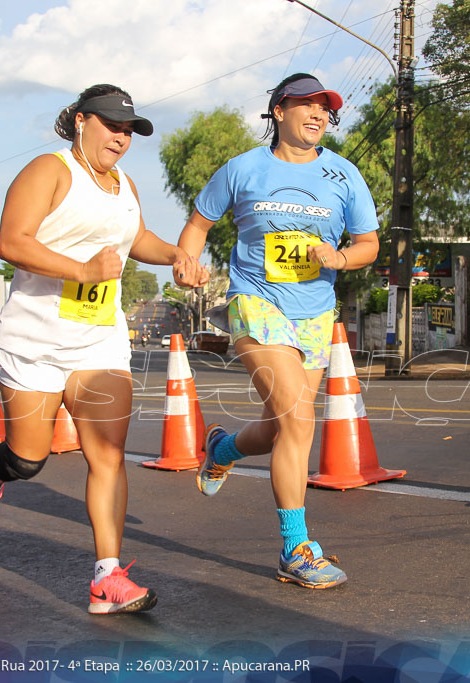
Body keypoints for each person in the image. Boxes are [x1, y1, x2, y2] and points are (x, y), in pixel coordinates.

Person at [0, 84, 207, 615]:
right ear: (80, 121)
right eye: (111, 126)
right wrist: (81, 270)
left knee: (108, 455)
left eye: (128, 131)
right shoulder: (48, 171)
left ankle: (107, 577)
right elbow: (12, 241)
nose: (120, 139)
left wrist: (175, 256)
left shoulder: (124, 184)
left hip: (98, 338)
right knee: (29, 460)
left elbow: (134, 237)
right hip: (34, 340)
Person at [175, 73, 379, 589]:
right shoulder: (243, 168)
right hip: (255, 303)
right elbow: (200, 222)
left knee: (281, 427)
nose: (317, 115)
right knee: (299, 419)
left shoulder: (344, 175)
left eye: (324, 108)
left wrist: (342, 256)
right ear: (279, 112)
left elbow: (369, 243)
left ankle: (221, 450)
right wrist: (186, 262)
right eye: (306, 105)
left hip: (315, 313)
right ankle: (295, 548)